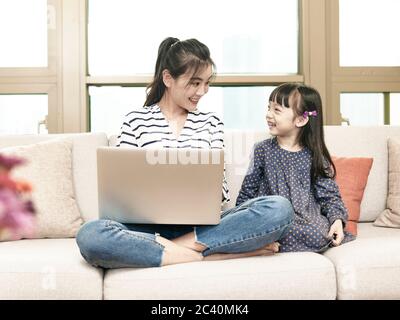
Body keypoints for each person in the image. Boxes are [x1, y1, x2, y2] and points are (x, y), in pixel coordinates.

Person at [76, 37, 294, 268]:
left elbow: (221, 191)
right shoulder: (136, 121)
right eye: (195, 83)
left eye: (207, 83)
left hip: (202, 227)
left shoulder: (211, 123)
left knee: (279, 209)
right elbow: (120, 191)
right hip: (143, 228)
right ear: (168, 78)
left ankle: (173, 249)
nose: (203, 91)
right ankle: (213, 254)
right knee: (91, 235)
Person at [236, 83, 355, 253]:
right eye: (268, 108)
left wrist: (337, 221)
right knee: (265, 227)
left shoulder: (315, 157)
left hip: (304, 221)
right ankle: (263, 242)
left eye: (276, 110)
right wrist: (239, 221)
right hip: (271, 218)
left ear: (301, 119)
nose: (268, 115)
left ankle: (266, 244)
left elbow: (329, 197)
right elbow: (247, 192)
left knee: (316, 232)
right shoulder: (262, 150)